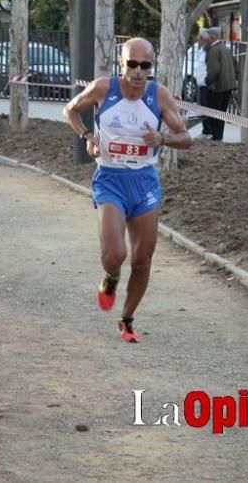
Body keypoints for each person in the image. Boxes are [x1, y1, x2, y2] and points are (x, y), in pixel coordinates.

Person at [63, 37, 193, 343]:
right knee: (115, 254)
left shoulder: (158, 96)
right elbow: (70, 110)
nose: (137, 71)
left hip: (144, 181)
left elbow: (186, 139)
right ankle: (111, 277)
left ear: (152, 67)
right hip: (110, 178)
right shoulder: (102, 89)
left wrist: (163, 140)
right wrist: (86, 137)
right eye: (131, 64)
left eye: (144, 65)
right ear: (121, 64)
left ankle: (127, 318)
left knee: (142, 259)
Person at [202, 27, 238, 141]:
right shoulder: (226, 49)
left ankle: (216, 138)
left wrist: (207, 81)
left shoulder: (214, 50)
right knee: (221, 114)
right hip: (227, 87)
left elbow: (214, 70)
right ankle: (219, 137)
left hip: (217, 87)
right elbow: (236, 66)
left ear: (212, 37)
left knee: (214, 113)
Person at [191, 31, 212, 137]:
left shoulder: (209, 51)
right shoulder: (202, 50)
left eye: (199, 39)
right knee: (202, 106)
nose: (198, 41)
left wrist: (207, 80)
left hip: (205, 83)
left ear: (204, 40)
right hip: (200, 83)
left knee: (205, 107)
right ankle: (206, 129)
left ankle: (207, 130)